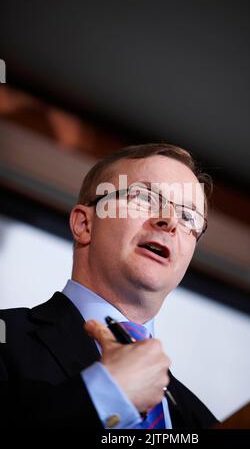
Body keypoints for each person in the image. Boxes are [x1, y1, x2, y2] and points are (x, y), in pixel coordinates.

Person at [0, 143, 217, 429]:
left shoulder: (202, 421)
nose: (169, 222)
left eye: (188, 217)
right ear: (84, 224)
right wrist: (107, 395)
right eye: (144, 198)